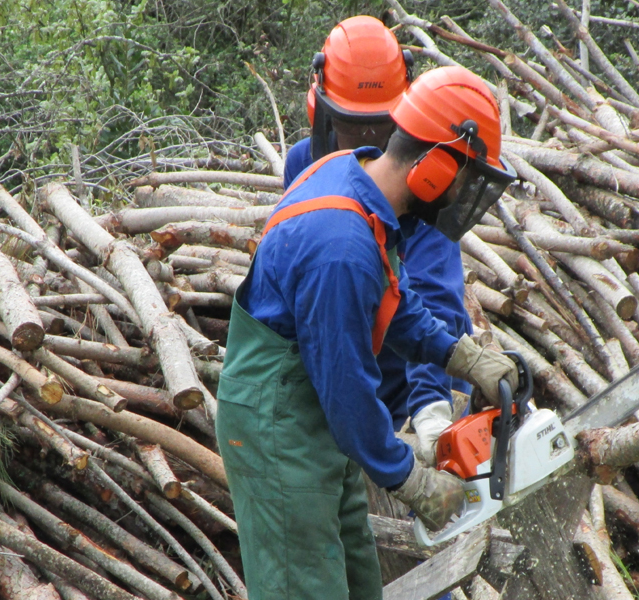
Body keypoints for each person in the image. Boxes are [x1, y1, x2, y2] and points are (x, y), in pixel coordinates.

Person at [217, 66, 518, 599]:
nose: (461, 198)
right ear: (435, 169)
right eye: (465, 181)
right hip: (278, 424)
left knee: (358, 580)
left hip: (312, 417)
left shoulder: (355, 179)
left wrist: (461, 356)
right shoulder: (342, 244)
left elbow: (391, 300)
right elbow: (348, 388)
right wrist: (411, 479)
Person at [285, 15, 473, 466]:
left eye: (380, 126)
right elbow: (323, 316)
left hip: (416, 368)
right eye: (354, 126)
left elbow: (429, 294)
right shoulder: (304, 166)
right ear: (324, 113)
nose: (368, 140)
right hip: (345, 365)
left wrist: (430, 404)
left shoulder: (421, 181)